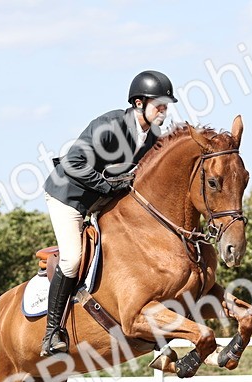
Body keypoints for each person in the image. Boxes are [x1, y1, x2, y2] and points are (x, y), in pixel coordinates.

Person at [40, 70, 179, 356]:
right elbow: (73, 163)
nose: (164, 111)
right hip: (69, 197)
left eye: (166, 105)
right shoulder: (110, 126)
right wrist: (106, 185)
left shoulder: (153, 135)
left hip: (102, 199)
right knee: (72, 259)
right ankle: (52, 332)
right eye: (160, 105)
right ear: (139, 103)